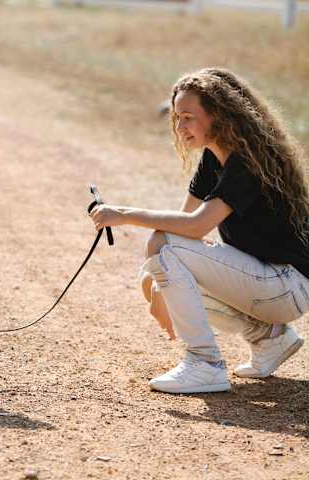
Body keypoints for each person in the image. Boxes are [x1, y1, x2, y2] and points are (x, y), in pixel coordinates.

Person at [89, 67, 309, 394]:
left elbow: (195, 227)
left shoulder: (247, 162)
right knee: (157, 267)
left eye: (188, 116)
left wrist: (121, 214)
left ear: (218, 116)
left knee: (164, 249)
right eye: (177, 117)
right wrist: (156, 288)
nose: (179, 126)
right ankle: (270, 337)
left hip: (288, 285)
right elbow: (181, 225)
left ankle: (205, 364)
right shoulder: (212, 158)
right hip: (268, 282)